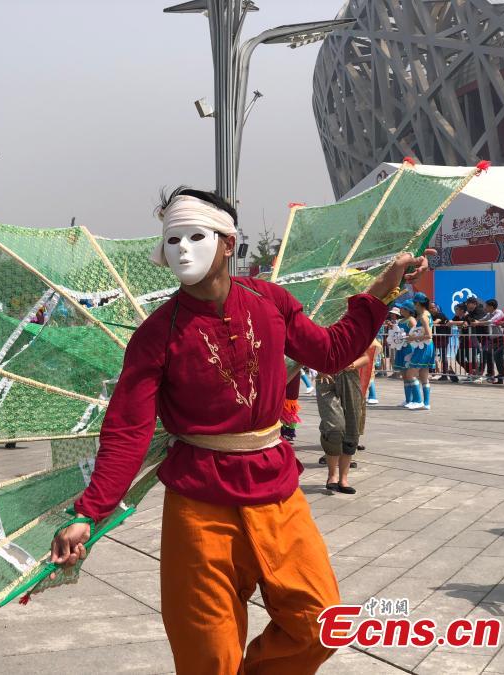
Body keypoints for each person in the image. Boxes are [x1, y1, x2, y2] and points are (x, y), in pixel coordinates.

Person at [48, 186, 430, 674]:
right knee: (208, 654)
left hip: (276, 493)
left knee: (320, 622)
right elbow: (128, 430)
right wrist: (89, 512)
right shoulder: (157, 335)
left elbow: (331, 352)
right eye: (172, 240)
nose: (182, 249)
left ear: (228, 242)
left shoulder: (270, 301)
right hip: (199, 504)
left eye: (195, 236)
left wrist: (381, 290)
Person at [316, 345, 372, 495]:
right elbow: (305, 353)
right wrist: (318, 367)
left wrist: (352, 364)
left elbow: (366, 357)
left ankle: (343, 479)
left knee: (351, 428)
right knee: (334, 427)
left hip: (350, 378)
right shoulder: (320, 323)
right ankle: (331, 476)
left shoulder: (352, 330)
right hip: (325, 379)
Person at [406, 292, 434, 409]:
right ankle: (426, 403)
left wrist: (412, 338)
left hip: (424, 347)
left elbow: (429, 335)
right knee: (423, 376)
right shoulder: (427, 314)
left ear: (417, 303)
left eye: (414, 303)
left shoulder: (423, 316)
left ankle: (418, 400)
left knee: (410, 374)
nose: (413, 305)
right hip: (426, 346)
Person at [476, 298, 504, 384]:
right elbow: (482, 320)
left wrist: (477, 323)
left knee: (498, 357)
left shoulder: (499, 313)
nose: (485, 308)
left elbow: (490, 321)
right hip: (492, 339)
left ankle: (503, 377)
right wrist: (473, 322)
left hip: (500, 338)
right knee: (488, 353)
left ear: (492, 307)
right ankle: (491, 375)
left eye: (487, 306)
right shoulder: (489, 314)